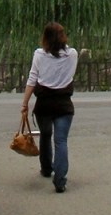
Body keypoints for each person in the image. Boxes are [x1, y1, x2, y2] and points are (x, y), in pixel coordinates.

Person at [21, 22, 78, 193]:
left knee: (45, 136)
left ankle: (46, 168)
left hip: (44, 104)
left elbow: (32, 80)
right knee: (61, 141)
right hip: (64, 103)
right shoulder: (72, 54)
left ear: (45, 38)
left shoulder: (39, 55)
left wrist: (24, 104)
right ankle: (60, 179)